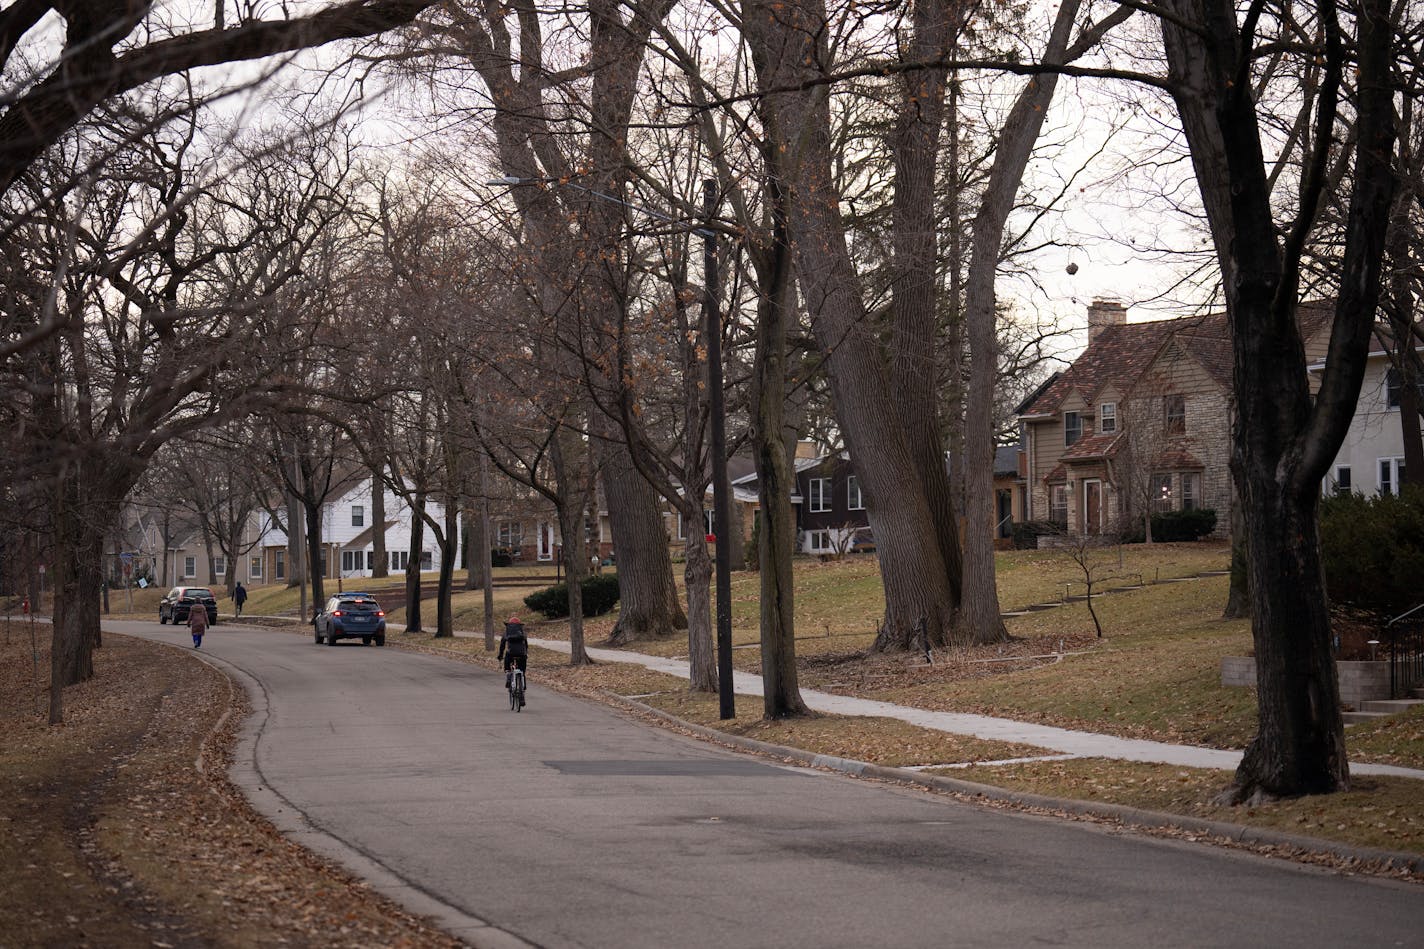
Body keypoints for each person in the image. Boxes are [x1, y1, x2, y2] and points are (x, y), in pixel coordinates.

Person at [498, 615, 528, 705]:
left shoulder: (507, 632)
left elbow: (502, 645)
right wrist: (526, 654)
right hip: (522, 655)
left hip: (510, 654)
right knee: (522, 672)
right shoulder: (522, 632)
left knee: (508, 663)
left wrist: (500, 655)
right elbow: (526, 645)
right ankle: (522, 691)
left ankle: (508, 676)